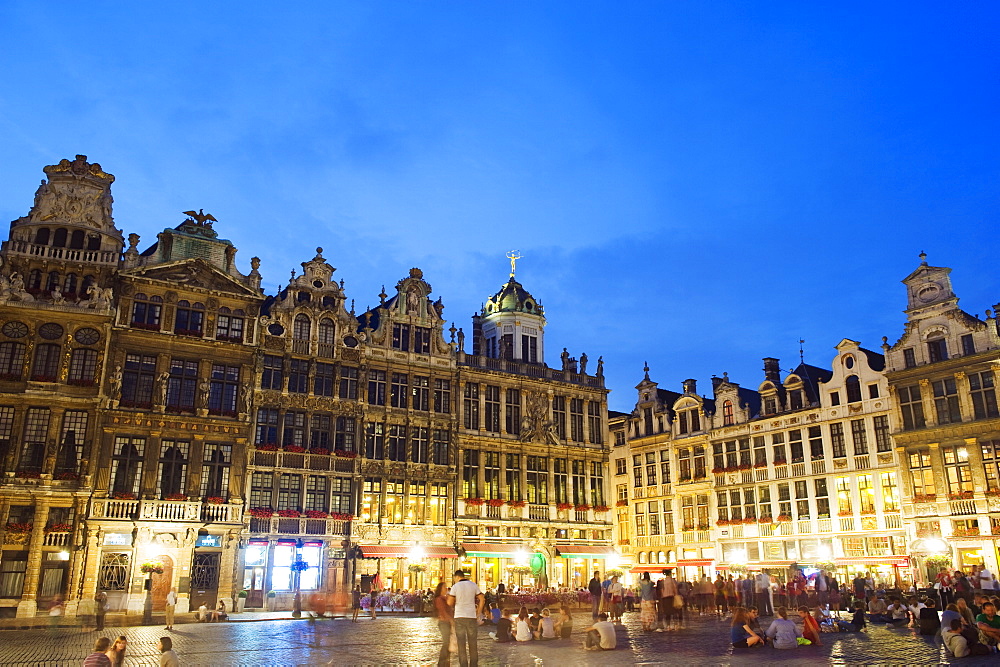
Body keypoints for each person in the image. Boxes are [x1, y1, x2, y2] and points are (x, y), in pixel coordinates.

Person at [448, 569, 485, 667]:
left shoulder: (455, 587)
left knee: (461, 644)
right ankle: (474, 665)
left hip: (459, 616)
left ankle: (463, 665)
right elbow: (482, 598)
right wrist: (479, 611)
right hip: (471, 616)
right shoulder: (473, 585)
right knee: (473, 643)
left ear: (457, 577)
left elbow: (450, 603)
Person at [433, 582, 453, 666]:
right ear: (440, 589)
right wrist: (451, 620)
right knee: (446, 643)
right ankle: (441, 663)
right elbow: (443, 611)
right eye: (444, 587)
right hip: (444, 622)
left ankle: (446, 662)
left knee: (448, 642)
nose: (446, 588)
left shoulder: (445, 598)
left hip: (447, 622)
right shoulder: (439, 599)